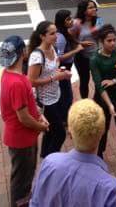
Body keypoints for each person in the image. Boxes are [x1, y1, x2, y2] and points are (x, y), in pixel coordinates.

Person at [29, 99, 116, 206]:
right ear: (102, 133)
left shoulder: (49, 163)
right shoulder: (112, 191)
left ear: (70, 133)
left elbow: (35, 203)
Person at [0, 35, 49, 206]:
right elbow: (24, 118)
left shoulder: (7, 74)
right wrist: (41, 127)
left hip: (20, 137)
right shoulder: (17, 83)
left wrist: (39, 115)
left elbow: (27, 105)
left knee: (22, 175)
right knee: (22, 180)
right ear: (23, 52)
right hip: (22, 140)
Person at [89, 24, 116, 167]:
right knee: (102, 128)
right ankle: (99, 153)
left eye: (114, 40)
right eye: (109, 41)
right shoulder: (95, 59)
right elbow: (99, 85)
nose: (113, 43)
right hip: (104, 100)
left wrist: (114, 81)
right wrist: (109, 105)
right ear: (102, 41)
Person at [27, 21, 72, 157]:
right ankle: (52, 160)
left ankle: (45, 155)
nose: (56, 36)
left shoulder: (52, 48)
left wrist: (61, 73)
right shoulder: (37, 56)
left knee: (50, 131)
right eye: (52, 33)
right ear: (42, 36)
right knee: (60, 133)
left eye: (56, 32)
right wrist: (55, 78)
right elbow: (31, 82)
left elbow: (52, 70)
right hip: (45, 101)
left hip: (56, 95)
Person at [53, 10, 83, 114]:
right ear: (62, 22)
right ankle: (64, 117)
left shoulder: (65, 32)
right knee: (66, 95)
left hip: (67, 67)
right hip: (63, 68)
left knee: (66, 93)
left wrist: (81, 44)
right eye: (68, 19)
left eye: (71, 18)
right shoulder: (61, 37)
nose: (72, 21)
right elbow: (59, 57)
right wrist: (76, 50)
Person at [71, 0, 100, 99]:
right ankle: (85, 102)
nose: (94, 9)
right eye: (90, 7)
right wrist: (81, 43)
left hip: (96, 56)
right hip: (82, 58)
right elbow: (70, 39)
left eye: (94, 7)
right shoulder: (76, 23)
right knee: (84, 81)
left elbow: (101, 36)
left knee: (99, 80)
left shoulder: (98, 20)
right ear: (83, 10)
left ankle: (97, 101)